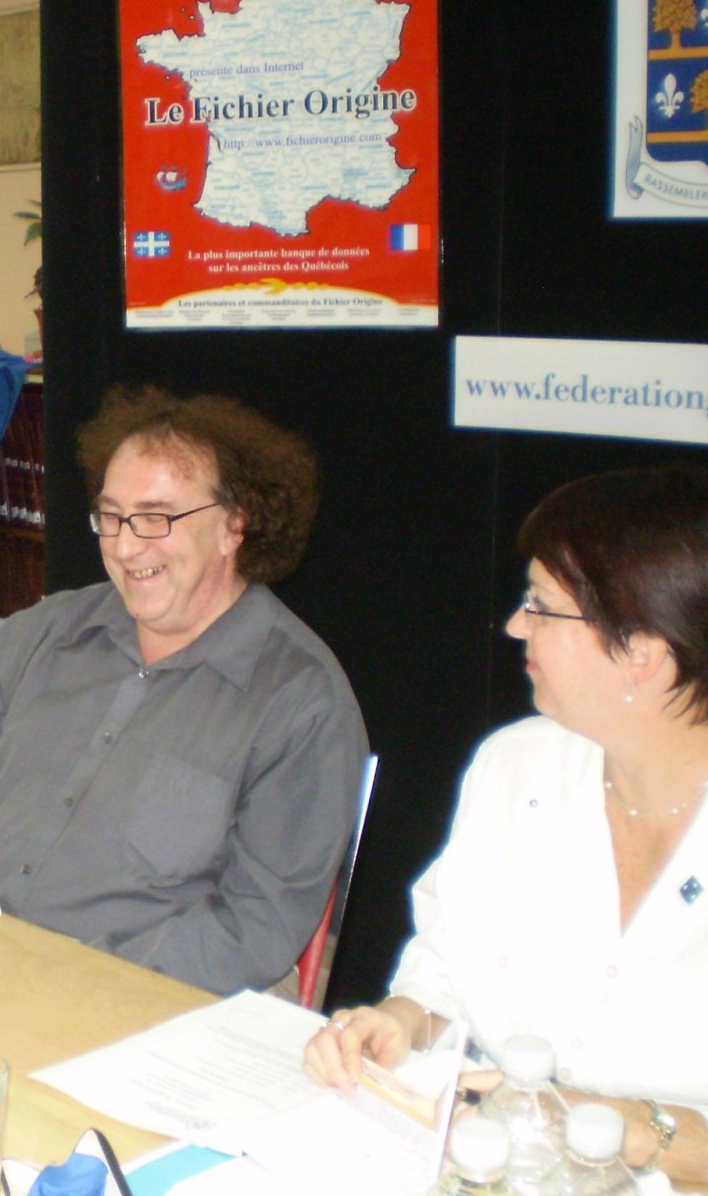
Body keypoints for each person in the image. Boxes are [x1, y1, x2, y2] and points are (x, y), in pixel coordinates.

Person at [302, 464, 708, 1188]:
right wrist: (398, 1023)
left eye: (542, 607)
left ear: (641, 654)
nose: (516, 625)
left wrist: (617, 1124)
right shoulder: (516, 766)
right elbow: (447, 967)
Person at [0, 386, 368, 993]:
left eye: (156, 517)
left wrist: (66, 981)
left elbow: (256, 925)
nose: (123, 544)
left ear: (233, 526)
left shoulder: (300, 701)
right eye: (111, 516)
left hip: (131, 1011)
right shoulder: (36, 635)